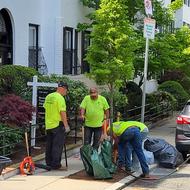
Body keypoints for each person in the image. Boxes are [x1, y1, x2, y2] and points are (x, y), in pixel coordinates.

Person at [43, 81, 70, 170]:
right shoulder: (60, 98)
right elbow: (62, 112)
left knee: (49, 144)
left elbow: (46, 108)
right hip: (58, 124)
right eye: (66, 91)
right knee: (57, 145)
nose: (66, 93)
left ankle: (48, 163)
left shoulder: (49, 96)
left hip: (49, 124)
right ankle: (56, 165)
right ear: (63, 89)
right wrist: (66, 126)